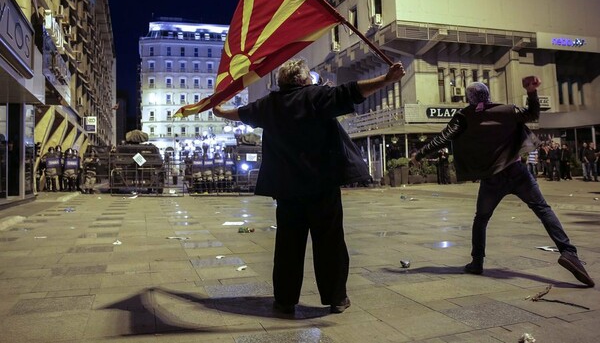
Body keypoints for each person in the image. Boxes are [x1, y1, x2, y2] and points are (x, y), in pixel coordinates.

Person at [213, 58, 406, 314]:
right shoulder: (316, 96)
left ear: (282, 82)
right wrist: (386, 79)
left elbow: (243, 114)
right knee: (330, 244)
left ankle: (284, 301)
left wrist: (219, 111)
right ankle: (336, 298)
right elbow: (352, 92)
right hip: (322, 186)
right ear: (304, 79)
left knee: (287, 247)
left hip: (287, 190)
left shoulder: (269, 104)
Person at [414, 77, 594, 287]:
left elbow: (443, 138)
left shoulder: (464, 116)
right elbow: (533, 114)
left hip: (492, 179)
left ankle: (477, 261)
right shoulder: (507, 111)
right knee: (543, 210)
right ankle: (568, 253)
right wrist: (532, 92)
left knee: (481, 219)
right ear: (488, 95)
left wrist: (420, 154)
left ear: (469, 98)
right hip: (517, 172)